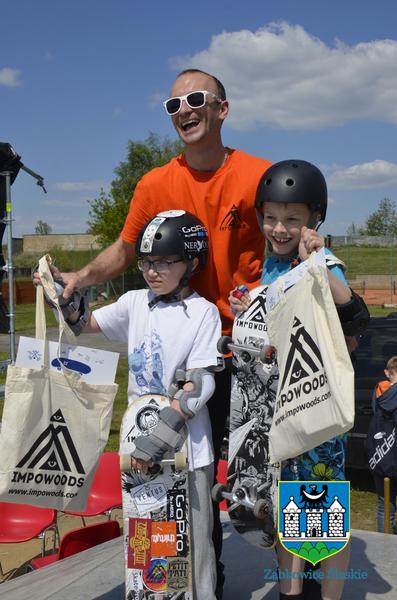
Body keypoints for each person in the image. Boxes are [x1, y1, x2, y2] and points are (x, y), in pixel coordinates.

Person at [36, 68, 272, 597]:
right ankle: (183, 583)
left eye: (194, 99)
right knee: (182, 493)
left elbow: (290, 241)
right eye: (173, 105)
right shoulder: (155, 186)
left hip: (250, 350)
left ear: (222, 109)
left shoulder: (257, 176)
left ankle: (298, 581)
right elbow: (123, 251)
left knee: (266, 486)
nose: (183, 110)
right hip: (184, 365)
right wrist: (77, 281)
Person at [53, 210, 223, 600]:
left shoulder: (202, 313)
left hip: (185, 454)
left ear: (192, 262)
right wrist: (64, 296)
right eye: (147, 262)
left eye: (165, 262)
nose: (152, 271)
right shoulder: (135, 303)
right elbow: (86, 325)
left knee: (190, 550)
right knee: (149, 549)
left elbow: (200, 385)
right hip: (138, 452)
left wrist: (157, 440)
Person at [229, 159, 370, 600]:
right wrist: (246, 316)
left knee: (323, 523)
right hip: (279, 416)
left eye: (292, 219)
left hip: (317, 417)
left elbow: (354, 317)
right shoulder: (267, 269)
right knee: (287, 521)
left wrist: (319, 261)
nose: (279, 228)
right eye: (271, 217)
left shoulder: (322, 261)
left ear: (313, 220)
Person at [370, 356, 397, 533]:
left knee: (384, 505)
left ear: (388, 373)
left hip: (382, 454)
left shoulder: (379, 391)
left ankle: (384, 545)